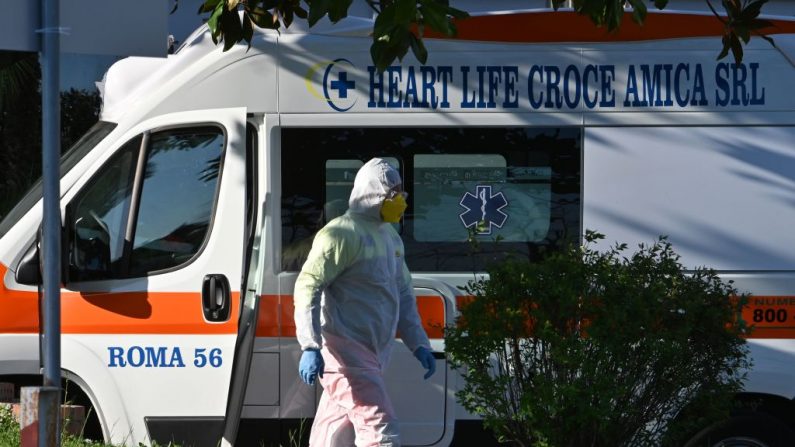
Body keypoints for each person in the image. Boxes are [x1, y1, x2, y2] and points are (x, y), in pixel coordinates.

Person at [294, 157, 436, 447]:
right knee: (379, 427)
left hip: (370, 353)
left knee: (331, 432)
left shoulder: (390, 239)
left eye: (401, 194)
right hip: (345, 353)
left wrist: (418, 342)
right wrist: (310, 345)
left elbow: (403, 294)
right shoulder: (341, 234)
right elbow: (309, 284)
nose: (401, 201)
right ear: (374, 195)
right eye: (393, 194)